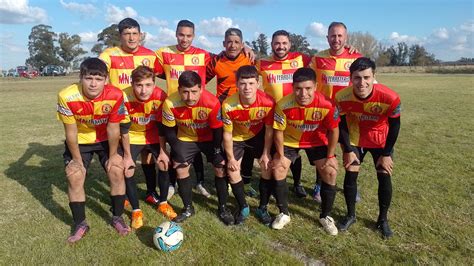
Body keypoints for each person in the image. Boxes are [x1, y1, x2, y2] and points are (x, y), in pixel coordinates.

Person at [57, 58, 130, 243]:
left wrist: (113, 156)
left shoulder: (115, 94)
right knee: (74, 175)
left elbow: (114, 129)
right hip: (80, 141)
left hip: (106, 139)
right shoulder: (66, 96)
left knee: (116, 170)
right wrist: (76, 160)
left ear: (106, 80)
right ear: (81, 78)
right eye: (89, 78)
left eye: (99, 79)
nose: (93, 83)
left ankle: (117, 217)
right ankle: (80, 223)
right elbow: (70, 132)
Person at [99, 17, 163, 207]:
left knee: (148, 156)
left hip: (143, 112)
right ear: (120, 36)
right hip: (118, 114)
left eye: (135, 33)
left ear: (140, 35)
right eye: (127, 34)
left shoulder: (151, 56)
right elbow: (95, 71)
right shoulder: (109, 55)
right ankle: (123, 193)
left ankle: (151, 192)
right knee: (120, 156)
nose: (132, 38)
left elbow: (169, 71)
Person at [335, 57, 401, 239]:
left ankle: (382, 219)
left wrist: (387, 154)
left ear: (374, 77)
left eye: (366, 77)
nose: (362, 83)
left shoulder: (390, 97)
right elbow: (341, 125)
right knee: (350, 175)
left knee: (384, 176)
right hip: (356, 140)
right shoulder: (341, 97)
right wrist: (347, 149)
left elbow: (395, 126)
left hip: (381, 142)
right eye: (357, 78)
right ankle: (350, 215)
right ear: (350, 78)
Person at [272, 67, 339, 233]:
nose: (303, 94)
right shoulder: (283, 104)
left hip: (316, 141)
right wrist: (280, 155)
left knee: (330, 171)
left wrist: (330, 155)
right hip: (290, 140)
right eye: (298, 89)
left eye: (308, 88)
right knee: (278, 168)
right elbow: (278, 132)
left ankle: (326, 216)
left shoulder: (327, 104)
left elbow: (334, 130)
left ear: (315, 86)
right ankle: (284, 213)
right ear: (292, 87)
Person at [155, 19, 212, 197]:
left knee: (196, 145)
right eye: (181, 35)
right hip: (174, 109)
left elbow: (224, 59)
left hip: (195, 107)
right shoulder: (163, 53)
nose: (184, 39)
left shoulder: (204, 55)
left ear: (193, 36)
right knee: (176, 147)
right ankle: (172, 183)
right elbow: (146, 65)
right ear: (176, 34)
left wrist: (246, 49)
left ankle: (200, 182)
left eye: (188, 36)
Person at [161, 71, 226, 223]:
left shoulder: (212, 102)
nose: (190, 97)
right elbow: (169, 131)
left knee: (220, 167)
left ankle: (223, 208)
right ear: (179, 90)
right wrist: (177, 150)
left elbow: (218, 130)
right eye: (185, 92)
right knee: (180, 167)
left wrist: (217, 151)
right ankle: (188, 208)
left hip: (209, 139)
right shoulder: (170, 103)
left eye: (194, 92)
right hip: (185, 138)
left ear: (201, 89)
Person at [309, 22, 363, 203]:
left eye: (340, 36)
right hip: (324, 114)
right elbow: (308, 80)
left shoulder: (356, 57)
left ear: (346, 38)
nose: (336, 39)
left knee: (350, 149)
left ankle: (352, 186)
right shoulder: (317, 58)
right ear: (327, 38)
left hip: (348, 115)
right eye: (333, 36)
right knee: (323, 151)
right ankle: (319, 184)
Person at [256, 30, 312, 198]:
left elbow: (329, 58)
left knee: (295, 150)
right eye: (277, 43)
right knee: (277, 149)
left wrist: (348, 47)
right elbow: (245, 67)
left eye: (284, 43)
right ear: (272, 45)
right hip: (273, 115)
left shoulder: (301, 59)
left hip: (295, 113)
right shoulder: (262, 63)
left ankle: (297, 183)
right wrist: (246, 48)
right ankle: (275, 183)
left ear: (290, 44)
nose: (280, 47)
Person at [120, 66, 177, 229]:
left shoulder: (160, 95)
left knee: (163, 163)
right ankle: (136, 211)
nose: (143, 90)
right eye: (139, 85)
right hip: (132, 135)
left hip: (153, 134)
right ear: (132, 84)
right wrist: (126, 155)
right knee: (128, 168)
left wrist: (163, 151)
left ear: (154, 84)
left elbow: (161, 126)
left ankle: (162, 202)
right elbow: (122, 129)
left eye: (148, 85)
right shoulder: (124, 96)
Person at [206, 28, 257, 197]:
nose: (232, 45)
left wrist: (251, 50)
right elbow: (202, 81)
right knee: (226, 145)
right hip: (224, 109)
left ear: (242, 44)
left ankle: (246, 180)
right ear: (223, 43)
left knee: (247, 145)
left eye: (236, 42)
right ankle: (229, 179)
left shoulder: (249, 59)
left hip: (246, 110)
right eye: (229, 41)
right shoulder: (216, 61)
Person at [221, 66, 275, 225]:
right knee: (232, 171)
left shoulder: (267, 102)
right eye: (243, 83)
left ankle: (262, 207)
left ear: (258, 84)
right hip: (237, 138)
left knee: (267, 166)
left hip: (257, 136)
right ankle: (243, 206)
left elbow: (269, 130)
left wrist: (266, 153)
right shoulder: (228, 105)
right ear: (237, 84)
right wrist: (230, 158)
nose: (247, 88)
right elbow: (227, 134)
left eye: (251, 83)